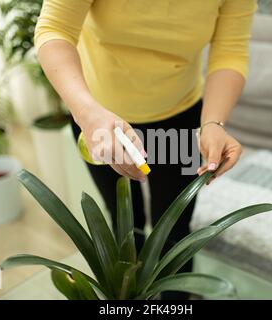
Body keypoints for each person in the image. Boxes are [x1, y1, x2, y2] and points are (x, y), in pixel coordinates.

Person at [35, 0, 256, 299]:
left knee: (175, 229)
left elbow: (230, 51)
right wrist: (87, 113)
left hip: (179, 118)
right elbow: (55, 28)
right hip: (101, 120)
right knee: (125, 223)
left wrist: (213, 123)